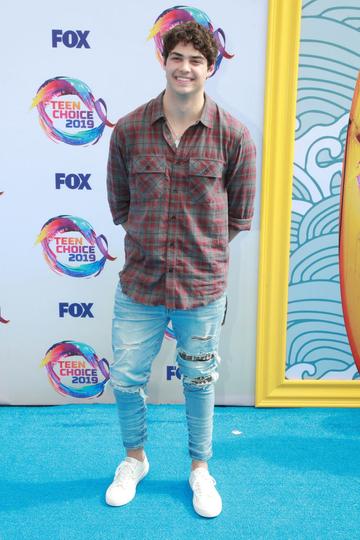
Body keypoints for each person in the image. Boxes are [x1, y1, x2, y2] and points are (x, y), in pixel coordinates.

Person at [105, 21, 256, 518]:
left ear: (210, 68)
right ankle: (135, 459)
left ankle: (199, 469)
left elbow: (237, 217)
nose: (186, 67)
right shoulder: (128, 130)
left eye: (196, 59)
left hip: (202, 286)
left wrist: (198, 251)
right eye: (178, 57)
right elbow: (121, 205)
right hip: (140, 283)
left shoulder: (235, 136)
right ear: (164, 61)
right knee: (126, 379)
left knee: (199, 382)